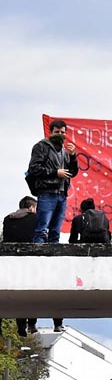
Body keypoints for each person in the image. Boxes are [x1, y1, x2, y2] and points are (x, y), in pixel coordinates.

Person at [2, 197, 51, 337]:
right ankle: (32, 324)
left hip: (12, 260)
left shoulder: (7, 218)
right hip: (31, 260)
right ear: (31, 208)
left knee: (20, 296)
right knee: (33, 295)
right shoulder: (36, 219)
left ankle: (21, 327)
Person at [27, 118, 79, 244]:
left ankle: (53, 260)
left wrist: (73, 156)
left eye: (63, 132)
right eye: (57, 132)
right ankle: (38, 257)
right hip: (47, 193)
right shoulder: (41, 147)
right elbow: (33, 169)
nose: (60, 135)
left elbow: (72, 173)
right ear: (50, 132)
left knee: (55, 231)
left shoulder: (65, 152)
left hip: (62, 195)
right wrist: (56, 172)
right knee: (42, 229)